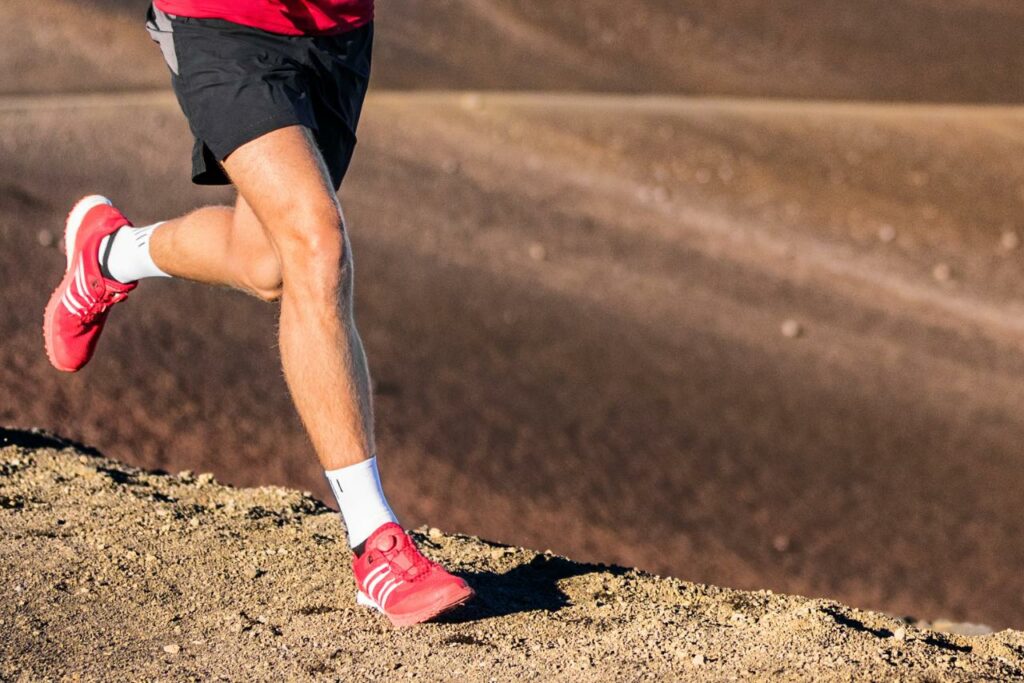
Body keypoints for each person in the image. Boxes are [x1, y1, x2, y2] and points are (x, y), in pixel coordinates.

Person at [41, 0, 473, 627]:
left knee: (268, 262)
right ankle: (375, 546)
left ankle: (109, 255)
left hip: (336, 35)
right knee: (316, 243)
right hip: (220, 22)